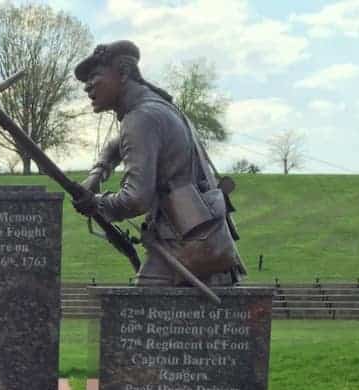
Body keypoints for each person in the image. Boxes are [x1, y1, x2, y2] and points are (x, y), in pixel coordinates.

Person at [71, 41, 244, 287]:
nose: (87, 87)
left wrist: (96, 203)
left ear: (122, 73)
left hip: (185, 250)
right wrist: (97, 174)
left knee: (141, 316)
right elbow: (116, 145)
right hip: (203, 242)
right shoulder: (156, 107)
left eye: (94, 77)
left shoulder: (140, 118)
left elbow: (136, 199)